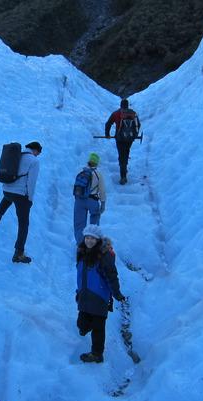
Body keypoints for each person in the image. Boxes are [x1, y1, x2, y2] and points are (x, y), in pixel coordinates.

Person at [75, 224, 125, 363]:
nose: (89, 241)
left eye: (93, 238)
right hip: (85, 296)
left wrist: (117, 293)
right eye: (87, 237)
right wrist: (78, 292)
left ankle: (97, 354)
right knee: (82, 325)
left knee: (98, 328)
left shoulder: (104, 256)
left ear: (98, 240)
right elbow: (80, 275)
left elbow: (112, 276)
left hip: (99, 297)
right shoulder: (82, 251)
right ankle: (86, 326)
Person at [0, 141, 42, 263]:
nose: (37, 155)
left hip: (6, 190)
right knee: (23, 224)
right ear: (35, 150)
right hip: (21, 196)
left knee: (8, 198)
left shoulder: (18, 155)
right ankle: (19, 253)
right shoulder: (34, 161)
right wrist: (30, 198)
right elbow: (32, 182)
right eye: (38, 153)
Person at [105, 98, 140, 185]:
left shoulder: (116, 113)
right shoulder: (133, 113)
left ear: (120, 105)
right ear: (127, 105)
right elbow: (138, 124)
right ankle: (124, 167)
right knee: (126, 151)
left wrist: (107, 134)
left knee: (121, 155)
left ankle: (123, 176)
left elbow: (108, 123)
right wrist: (134, 135)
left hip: (119, 138)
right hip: (130, 138)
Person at [73, 153, 106, 244]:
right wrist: (103, 204)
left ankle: (80, 244)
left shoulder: (81, 171)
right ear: (97, 163)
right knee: (93, 225)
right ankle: (92, 244)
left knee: (79, 224)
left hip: (80, 200)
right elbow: (102, 191)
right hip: (93, 201)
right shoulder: (98, 174)